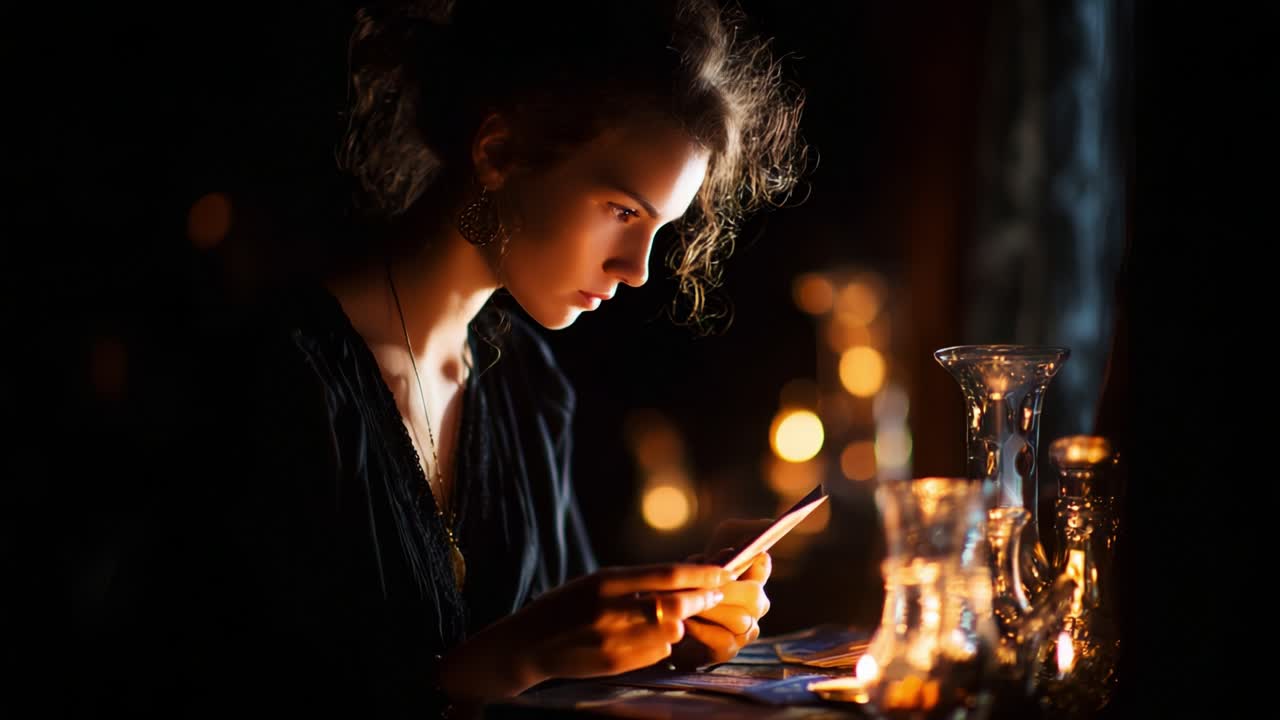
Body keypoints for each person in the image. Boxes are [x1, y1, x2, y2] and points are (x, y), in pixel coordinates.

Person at [105, 0, 807, 716]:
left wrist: (666, 627)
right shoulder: (279, 382)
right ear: (497, 152)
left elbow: (556, 676)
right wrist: (506, 659)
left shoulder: (530, 388)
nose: (637, 270)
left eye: (661, 227)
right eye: (622, 212)